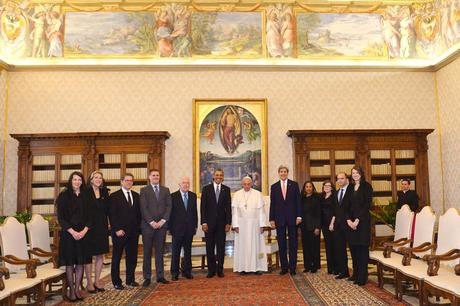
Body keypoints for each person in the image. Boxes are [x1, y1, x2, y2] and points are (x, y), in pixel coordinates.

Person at [56, 171, 91, 302]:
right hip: (69, 234)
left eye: (79, 180)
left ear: (82, 182)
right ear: (71, 181)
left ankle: (77, 289)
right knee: (70, 263)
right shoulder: (63, 196)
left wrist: (84, 231)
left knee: (80, 263)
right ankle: (71, 290)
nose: (77, 182)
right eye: (75, 179)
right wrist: (73, 232)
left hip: (84, 234)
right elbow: (61, 218)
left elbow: (90, 216)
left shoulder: (86, 196)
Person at [108, 173, 141, 290]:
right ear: (121, 182)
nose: (129, 182)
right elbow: (112, 214)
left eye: (131, 180)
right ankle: (116, 282)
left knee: (132, 257)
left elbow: (138, 215)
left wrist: (138, 229)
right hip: (119, 232)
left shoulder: (136, 196)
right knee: (117, 257)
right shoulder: (114, 196)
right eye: (126, 180)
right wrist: (116, 229)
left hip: (133, 233)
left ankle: (130, 279)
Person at [140, 169, 172, 286]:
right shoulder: (144, 190)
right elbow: (143, 208)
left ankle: (160, 276)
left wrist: (163, 221)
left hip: (162, 227)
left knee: (160, 252)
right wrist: (152, 222)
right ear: (149, 177)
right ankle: (147, 277)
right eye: (153, 175)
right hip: (148, 227)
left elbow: (169, 207)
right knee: (147, 252)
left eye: (157, 175)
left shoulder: (165, 190)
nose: (156, 177)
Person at [269, 165, 302, 275]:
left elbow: (298, 202)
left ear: (287, 173)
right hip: (279, 219)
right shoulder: (274, 187)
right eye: (281, 172)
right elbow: (272, 204)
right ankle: (284, 267)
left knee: (293, 244)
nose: (283, 173)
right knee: (281, 243)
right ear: (279, 173)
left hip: (293, 219)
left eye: (285, 171)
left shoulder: (294, 185)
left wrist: (299, 216)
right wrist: (272, 219)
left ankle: (292, 268)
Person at [232, 176, 267, 275]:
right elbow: (235, 212)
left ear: (251, 184)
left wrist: (262, 225)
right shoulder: (237, 194)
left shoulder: (257, 194)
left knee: (257, 246)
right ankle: (242, 268)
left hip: (255, 225)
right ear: (242, 184)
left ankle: (257, 267)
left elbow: (261, 211)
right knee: (242, 246)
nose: (247, 186)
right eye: (245, 184)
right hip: (241, 225)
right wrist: (235, 225)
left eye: (248, 184)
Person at [200, 168, 232, 278]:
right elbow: (203, 207)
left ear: (223, 177)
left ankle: (220, 270)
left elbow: (228, 208)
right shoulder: (206, 189)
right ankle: (211, 270)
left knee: (221, 247)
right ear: (213, 176)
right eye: (217, 175)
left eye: (221, 175)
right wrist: (203, 222)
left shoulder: (226, 190)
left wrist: (228, 223)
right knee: (209, 247)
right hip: (209, 224)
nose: (219, 177)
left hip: (222, 225)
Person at [345, 166, 373, 286]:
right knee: (353, 249)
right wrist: (348, 220)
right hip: (351, 224)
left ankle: (363, 276)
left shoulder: (367, 186)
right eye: (353, 173)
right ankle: (355, 274)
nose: (355, 175)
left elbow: (367, 205)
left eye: (357, 172)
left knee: (362, 250)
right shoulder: (350, 187)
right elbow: (345, 205)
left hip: (362, 222)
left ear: (361, 174)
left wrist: (357, 220)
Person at [84, 171, 109, 294]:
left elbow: (108, 210)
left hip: (102, 228)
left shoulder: (104, 192)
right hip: (88, 228)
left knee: (100, 255)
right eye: (96, 177)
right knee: (88, 255)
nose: (98, 179)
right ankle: (89, 282)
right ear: (91, 179)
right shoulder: (85, 192)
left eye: (100, 177)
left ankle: (97, 281)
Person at [169, 176, 198, 281]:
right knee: (175, 252)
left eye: (187, 183)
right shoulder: (173, 196)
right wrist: (170, 228)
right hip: (176, 229)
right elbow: (170, 214)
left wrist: (195, 225)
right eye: (183, 183)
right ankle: (174, 272)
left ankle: (187, 272)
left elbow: (194, 212)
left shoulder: (193, 196)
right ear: (179, 184)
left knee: (188, 251)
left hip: (189, 229)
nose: (185, 185)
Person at [330, 172, 352, 279]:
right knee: (340, 249)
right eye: (338, 179)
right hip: (338, 226)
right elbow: (336, 210)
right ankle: (344, 272)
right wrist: (333, 222)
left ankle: (356, 273)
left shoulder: (352, 190)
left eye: (342, 178)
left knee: (353, 249)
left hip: (349, 224)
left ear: (347, 179)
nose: (340, 181)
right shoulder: (336, 192)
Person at [300, 181, 321, 273]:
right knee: (306, 247)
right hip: (304, 226)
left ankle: (315, 266)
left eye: (310, 186)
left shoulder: (317, 198)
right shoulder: (302, 199)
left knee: (314, 247)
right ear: (304, 188)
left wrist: (317, 227)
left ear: (313, 188)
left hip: (314, 227)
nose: (308, 188)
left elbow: (319, 214)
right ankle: (307, 265)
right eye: (306, 187)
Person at [320, 180, 337, 275]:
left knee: (334, 246)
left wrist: (332, 223)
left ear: (332, 187)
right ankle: (330, 268)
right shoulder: (321, 197)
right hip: (324, 225)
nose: (326, 187)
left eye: (328, 185)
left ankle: (336, 267)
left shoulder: (334, 197)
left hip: (332, 224)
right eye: (325, 185)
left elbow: (336, 211)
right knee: (328, 246)